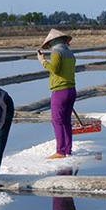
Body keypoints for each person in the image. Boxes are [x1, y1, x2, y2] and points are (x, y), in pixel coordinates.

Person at [37, 29, 76, 159]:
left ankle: (60, 151)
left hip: (60, 91)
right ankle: (68, 149)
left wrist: (42, 61)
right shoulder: (69, 53)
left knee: (57, 121)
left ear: (52, 42)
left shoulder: (56, 51)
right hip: (71, 90)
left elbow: (54, 69)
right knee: (66, 121)